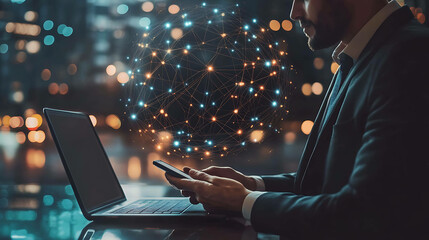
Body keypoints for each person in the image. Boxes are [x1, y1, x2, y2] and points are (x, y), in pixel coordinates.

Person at [166, 0, 429, 238]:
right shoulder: (362, 56)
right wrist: (252, 185)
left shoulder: (409, 55)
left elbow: (364, 211)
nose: (294, 13)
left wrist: (244, 201)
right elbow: (329, 182)